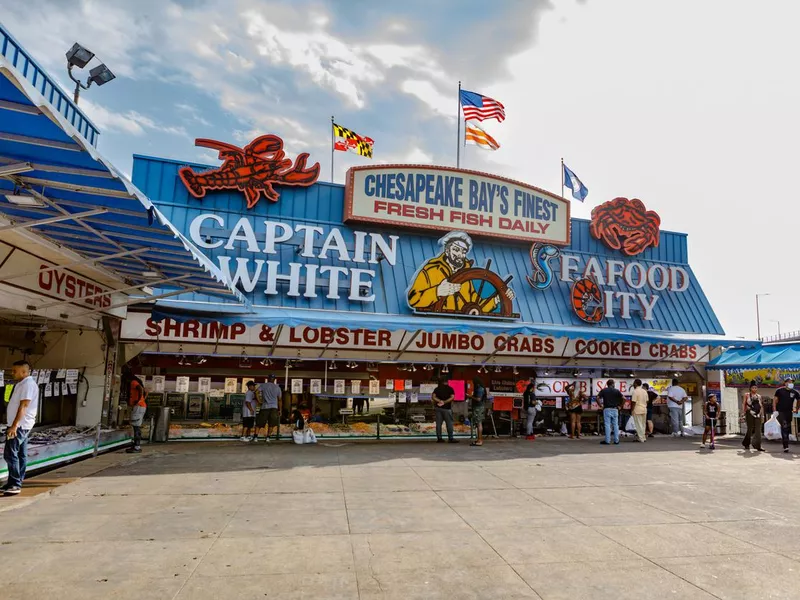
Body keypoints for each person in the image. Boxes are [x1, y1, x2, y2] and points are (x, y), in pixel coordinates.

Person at [407, 231, 515, 315]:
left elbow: (475, 307)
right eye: (456, 249)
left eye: (463, 252)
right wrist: (437, 291)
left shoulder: (466, 275)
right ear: (447, 250)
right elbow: (413, 300)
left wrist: (497, 298)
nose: (460, 255)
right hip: (435, 328)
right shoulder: (431, 270)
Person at [2, 360, 39, 496]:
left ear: (24, 371)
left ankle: (15, 483)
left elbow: (23, 406)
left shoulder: (28, 385)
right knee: (20, 454)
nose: (12, 373)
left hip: (20, 426)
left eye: (15, 371)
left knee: (10, 453)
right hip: (21, 425)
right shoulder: (21, 384)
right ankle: (14, 482)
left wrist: (14, 426)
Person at [123, 367, 146, 454]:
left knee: (136, 427)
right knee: (136, 426)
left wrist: (138, 400)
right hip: (140, 406)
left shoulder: (133, 382)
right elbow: (146, 391)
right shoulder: (137, 381)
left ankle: (137, 447)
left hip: (138, 406)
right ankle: (136, 445)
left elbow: (141, 389)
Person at [773, 377, 799, 453]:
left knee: (787, 428)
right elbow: (775, 401)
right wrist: (775, 410)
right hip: (781, 412)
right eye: (789, 382)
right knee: (784, 427)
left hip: (789, 413)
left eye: (791, 382)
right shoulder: (779, 391)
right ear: (785, 383)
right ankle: (786, 446)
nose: (790, 383)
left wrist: (796, 409)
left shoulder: (795, 392)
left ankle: (785, 443)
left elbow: (798, 400)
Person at [256, 374, 281, 443]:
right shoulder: (277, 387)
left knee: (259, 423)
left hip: (265, 407)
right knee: (271, 424)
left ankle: (255, 437)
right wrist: (280, 409)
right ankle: (268, 438)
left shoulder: (264, 385)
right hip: (274, 407)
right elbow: (279, 399)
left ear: (268, 378)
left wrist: (259, 401)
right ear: (274, 379)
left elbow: (256, 392)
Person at [432, 378, 457, 443]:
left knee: (438, 424)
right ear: (447, 382)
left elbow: (433, 397)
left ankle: (439, 438)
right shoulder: (450, 388)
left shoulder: (437, 389)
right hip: (447, 409)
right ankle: (450, 438)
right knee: (449, 424)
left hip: (438, 408)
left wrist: (440, 401)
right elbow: (452, 397)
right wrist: (445, 402)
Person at [598, 379, 623, 445]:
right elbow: (624, 398)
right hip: (615, 409)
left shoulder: (604, 390)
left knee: (607, 425)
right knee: (615, 425)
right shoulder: (617, 391)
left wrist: (600, 405)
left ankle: (607, 441)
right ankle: (616, 440)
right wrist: (620, 406)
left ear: (607, 384)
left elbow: (597, 398)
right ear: (612, 384)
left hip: (607, 409)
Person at [741, 381, 764, 452]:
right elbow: (743, 404)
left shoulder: (759, 396)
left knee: (758, 430)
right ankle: (746, 443)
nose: (754, 389)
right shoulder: (747, 395)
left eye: (755, 388)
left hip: (757, 414)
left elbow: (761, 406)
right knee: (750, 429)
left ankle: (758, 445)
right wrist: (743, 413)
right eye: (753, 388)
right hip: (749, 413)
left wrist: (762, 415)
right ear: (750, 388)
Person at [469, 378, 489, 447]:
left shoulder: (480, 389)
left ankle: (480, 440)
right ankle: (479, 439)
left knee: (479, 423)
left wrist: (470, 396)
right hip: (480, 407)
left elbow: (478, 399)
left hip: (478, 408)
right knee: (479, 423)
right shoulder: (482, 388)